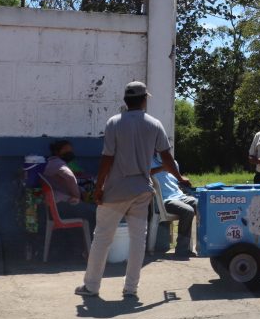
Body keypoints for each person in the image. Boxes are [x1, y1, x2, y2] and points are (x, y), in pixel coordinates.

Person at [76, 81, 185, 300]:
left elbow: (107, 158)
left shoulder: (114, 123)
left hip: (116, 190)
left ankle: (91, 286)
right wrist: (180, 178)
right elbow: (167, 158)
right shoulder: (154, 124)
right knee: (138, 240)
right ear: (144, 100)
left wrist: (99, 188)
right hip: (141, 191)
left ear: (126, 101)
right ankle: (130, 289)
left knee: (102, 238)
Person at [43, 140, 96, 232]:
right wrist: (77, 196)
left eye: (70, 151)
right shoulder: (57, 163)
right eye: (66, 150)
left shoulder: (53, 163)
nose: (69, 153)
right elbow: (70, 177)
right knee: (100, 207)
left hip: (62, 202)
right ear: (57, 152)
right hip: (68, 204)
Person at [150, 155, 196, 258]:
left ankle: (204, 245)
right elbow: (144, 174)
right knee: (188, 211)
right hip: (166, 200)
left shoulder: (173, 162)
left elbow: (177, 179)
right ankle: (182, 250)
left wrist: (183, 179)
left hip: (180, 196)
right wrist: (162, 168)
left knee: (202, 205)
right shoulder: (149, 160)